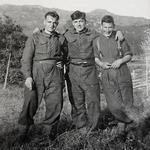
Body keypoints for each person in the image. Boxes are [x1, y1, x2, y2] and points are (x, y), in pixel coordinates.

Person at [64, 11, 124, 133]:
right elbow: (55, 43)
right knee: (77, 101)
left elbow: (107, 35)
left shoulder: (94, 34)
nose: (79, 24)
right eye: (76, 22)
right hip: (73, 71)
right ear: (72, 23)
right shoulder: (66, 35)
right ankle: (81, 127)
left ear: (85, 21)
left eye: (81, 21)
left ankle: (93, 128)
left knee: (93, 100)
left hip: (89, 70)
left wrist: (118, 32)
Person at [18, 11, 67, 140]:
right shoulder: (35, 37)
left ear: (57, 23)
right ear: (44, 22)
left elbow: (67, 55)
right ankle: (22, 134)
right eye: (49, 22)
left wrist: (62, 62)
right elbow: (26, 59)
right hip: (36, 73)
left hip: (55, 74)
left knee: (55, 103)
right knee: (30, 103)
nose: (52, 25)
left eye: (55, 22)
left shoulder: (61, 38)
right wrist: (28, 76)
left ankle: (48, 136)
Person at [94, 15, 134, 132]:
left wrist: (120, 60)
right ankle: (126, 121)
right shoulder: (97, 41)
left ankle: (124, 126)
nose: (107, 30)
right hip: (107, 73)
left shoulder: (119, 37)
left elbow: (129, 54)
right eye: (105, 27)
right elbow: (96, 58)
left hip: (122, 72)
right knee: (113, 104)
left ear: (114, 26)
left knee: (127, 100)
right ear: (101, 26)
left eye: (110, 27)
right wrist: (101, 64)